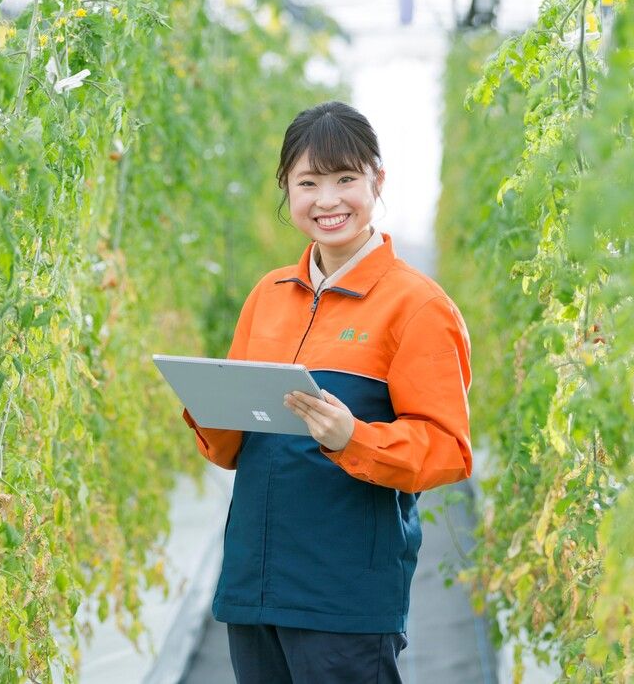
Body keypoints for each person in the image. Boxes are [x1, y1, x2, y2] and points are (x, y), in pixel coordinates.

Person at [181, 100, 472, 684]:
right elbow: (231, 448)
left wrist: (354, 439)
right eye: (308, 182)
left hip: (344, 595)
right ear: (287, 190)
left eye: (346, 179)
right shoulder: (269, 294)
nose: (328, 200)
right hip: (253, 583)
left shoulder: (415, 305)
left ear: (377, 181)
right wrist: (207, 407)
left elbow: (449, 449)